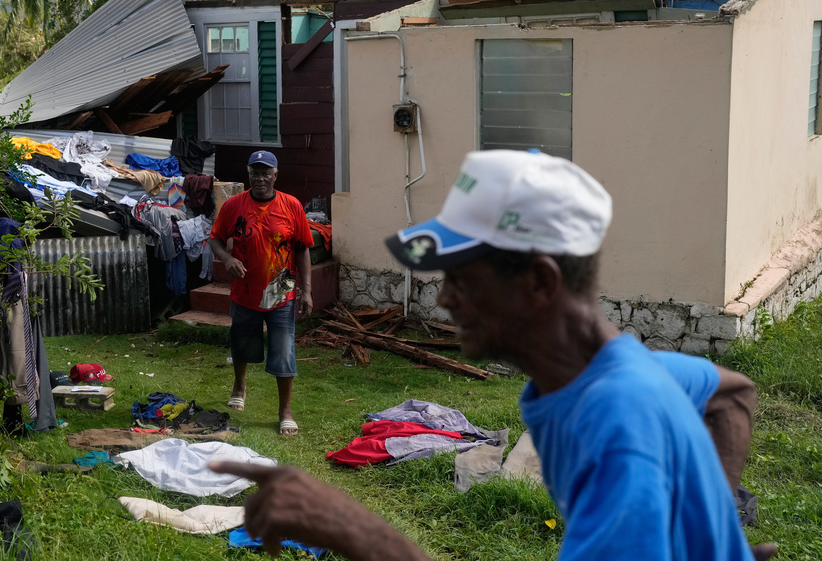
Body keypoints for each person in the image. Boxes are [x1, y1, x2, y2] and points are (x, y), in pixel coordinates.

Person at [213, 149, 775, 560]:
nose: (447, 296)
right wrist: (717, 526)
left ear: (537, 282)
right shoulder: (615, 369)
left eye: (464, 277)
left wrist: (355, 530)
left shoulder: (616, 437)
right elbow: (732, 393)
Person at [208, 150, 313, 436]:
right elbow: (215, 239)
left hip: (282, 293)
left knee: (284, 350)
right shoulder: (233, 206)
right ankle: (239, 386)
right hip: (244, 292)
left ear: (275, 175)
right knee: (241, 344)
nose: (260, 178)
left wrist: (307, 292)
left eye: (266, 172)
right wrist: (227, 259)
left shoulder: (291, 206)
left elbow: (303, 249)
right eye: (255, 172)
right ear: (248, 174)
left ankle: (285, 412)